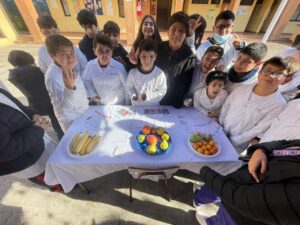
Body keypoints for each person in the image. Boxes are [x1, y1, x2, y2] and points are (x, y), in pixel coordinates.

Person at [219, 57, 292, 152]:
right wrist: (220, 125)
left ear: (286, 80)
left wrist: (234, 141)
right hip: (219, 131)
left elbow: (258, 129)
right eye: (268, 70)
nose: (271, 76)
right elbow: (227, 106)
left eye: (278, 73)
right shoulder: (242, 88)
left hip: (236, 144)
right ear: (259, 72)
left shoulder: (278, 105)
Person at [7, 50, 64, 139]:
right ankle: (63, 138)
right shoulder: (38, 72)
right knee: (58, 125)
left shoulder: (13, 76)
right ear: (29, 59)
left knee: (43, 126)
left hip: (34, 105)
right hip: (49, 102)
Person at [0, 88, 55, 179]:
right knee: (53, 179)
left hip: (37, 142)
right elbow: (6, 151)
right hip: (26, 163)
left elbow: (19, 107)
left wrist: (33, 114)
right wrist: (38, 129)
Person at [45, 34, 89, 132]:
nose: (70, 58)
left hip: (83, 111)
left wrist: (88, 96)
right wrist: (69, 88)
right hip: (71, 119)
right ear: (53, 56)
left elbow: (79, 87)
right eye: (63, 54)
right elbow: (65, 107)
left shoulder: (69, 66)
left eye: (72, 53)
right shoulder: (52, 77)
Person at [156, 11, 196, 108]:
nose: (177, 33)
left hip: (175, 105)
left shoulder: (189, 56)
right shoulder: (156, 48)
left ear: (186, 34)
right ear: (168, 31)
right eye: (173, 29)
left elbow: (187, 83)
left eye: (181, 31)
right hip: (155, 101)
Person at [83, 34, 128, 105]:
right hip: (101, 106)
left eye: (107, 51)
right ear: (94, 51)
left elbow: (127, 87)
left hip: (118, 106)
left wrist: (127, 105)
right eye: (100, 51)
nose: (104, 55)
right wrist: (92, 94)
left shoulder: (119, 67)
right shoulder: (90, 66)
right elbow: (87, 81)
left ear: (112, 51)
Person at [126, 39, 167, 106]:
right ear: (139, 56)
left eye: (151, 56)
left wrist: (146, 96)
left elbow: (162, 91)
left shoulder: (160, 74)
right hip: (137, 107)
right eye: (144, 56)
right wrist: (133, 96)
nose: (147, 60)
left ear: (155, 57)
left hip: (153, 108)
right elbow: (129, 88)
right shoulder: (132, 73)